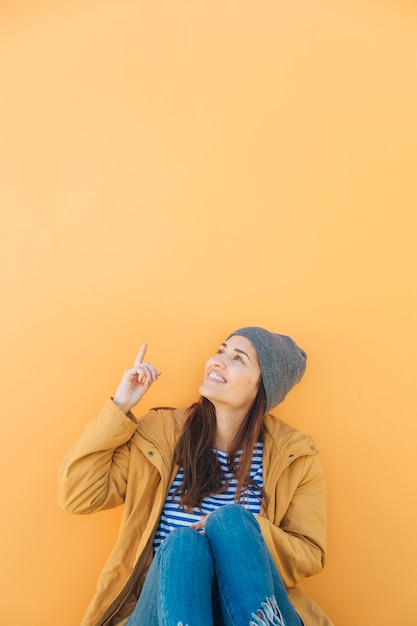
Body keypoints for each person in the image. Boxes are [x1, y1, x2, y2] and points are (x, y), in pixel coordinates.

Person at [58, 326, 333, 626]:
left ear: (262, 388)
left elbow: (309, 553)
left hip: (247, 607)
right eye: (220, 351)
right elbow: (77, 494)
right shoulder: (160, 434)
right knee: (183, 545)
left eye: (238, 359)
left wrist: (247, 530)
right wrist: (121, 405)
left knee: (231, 521)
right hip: (162, 613)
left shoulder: (294, 456)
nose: (218, 361)